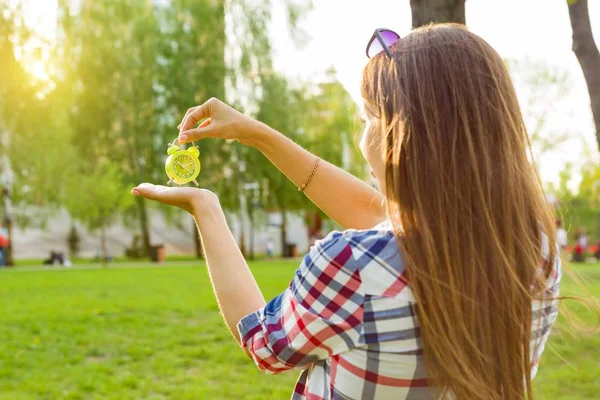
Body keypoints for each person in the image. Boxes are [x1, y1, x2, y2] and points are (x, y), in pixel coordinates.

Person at [132, 24, 562, 400]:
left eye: (369, 118)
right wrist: (256, 134)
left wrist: (205, 209)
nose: (363, 139)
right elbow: (385, 224)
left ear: (406, 136)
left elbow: (262, 342)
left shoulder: (351, 266)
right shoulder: (535, 253)